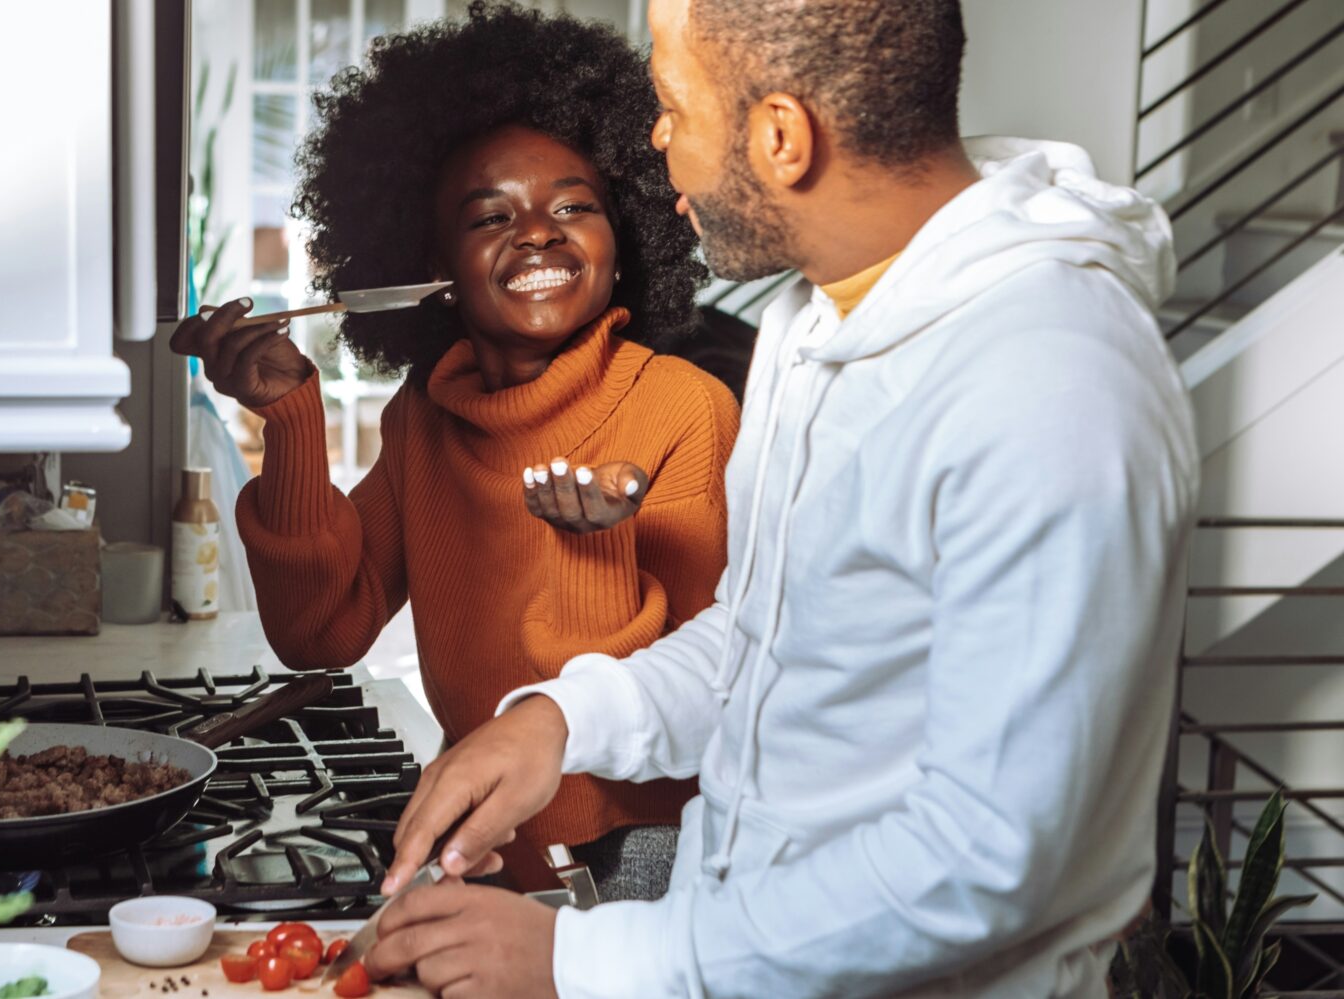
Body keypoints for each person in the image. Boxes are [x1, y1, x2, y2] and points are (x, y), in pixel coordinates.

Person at [366, 0, 1200, 996]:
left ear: (780, 137)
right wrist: (562, 719)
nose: (657, 143)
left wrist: (587, 960)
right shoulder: (816, 322)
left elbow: (988, 856)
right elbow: (776, 637)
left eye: (674, 107)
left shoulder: (1051, 383)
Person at [169, 2, 737, 898]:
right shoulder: (425, 419)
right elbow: (322, 631)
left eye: (574, 206)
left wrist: (592, 544)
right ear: (431, 265)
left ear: (625, 240)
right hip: (486, 842)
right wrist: (290, 421)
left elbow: (704, 698)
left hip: (642, 861)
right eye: (489, 216)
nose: (539, 231)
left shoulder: (683, 409)